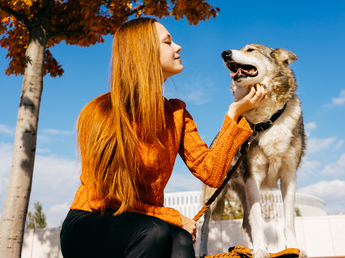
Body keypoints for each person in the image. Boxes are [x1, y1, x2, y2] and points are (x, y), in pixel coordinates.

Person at [60, 17, 268, 258]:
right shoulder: (100, 112)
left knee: (178, 237)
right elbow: (103, 198)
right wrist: (173, 216)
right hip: (91, 223)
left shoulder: (177, 114)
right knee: (159, 231)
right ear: (144, 52)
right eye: (168, 42)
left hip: (148, 225)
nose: (178, 47)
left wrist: (235, 113)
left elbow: (211, 173)